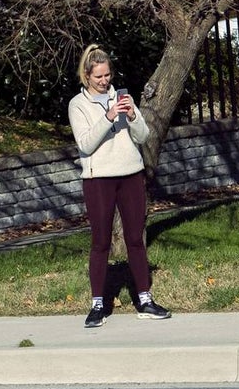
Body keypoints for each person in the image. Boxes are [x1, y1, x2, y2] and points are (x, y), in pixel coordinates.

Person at [68, 45, 171, 328]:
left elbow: (144, 135)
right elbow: (86, 143)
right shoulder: (78, 105)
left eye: (108, 75)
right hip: (98, 178)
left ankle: (145, 299)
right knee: (101, 241)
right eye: (99, 76)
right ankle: (98, 304)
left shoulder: (121, 96)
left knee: (135, 238)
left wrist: (133, 116)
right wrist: (109, 116)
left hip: (130, 173)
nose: (105, 81)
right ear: (87, 76)